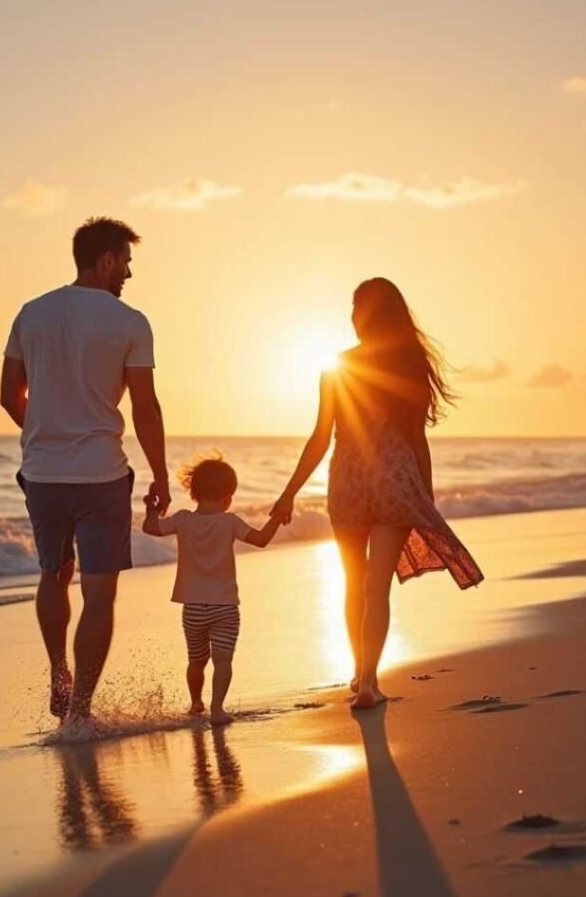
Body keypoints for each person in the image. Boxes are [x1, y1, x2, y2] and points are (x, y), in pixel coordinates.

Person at [271, 277, 483, 711]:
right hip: (393, 482)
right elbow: (416, 439)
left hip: (347, 481)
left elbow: (319, 437)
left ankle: (358, 670)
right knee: (377, 587)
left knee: (354, 584)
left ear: (362, 317)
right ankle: (368, 679)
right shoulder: (409, 365)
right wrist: (426, 493)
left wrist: (289, 492)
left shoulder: (337, 367)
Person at [0, 217, 170, 723]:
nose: (129, 276)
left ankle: (59, 671)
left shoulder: (31, 313)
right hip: (101, 474)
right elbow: (145, 407)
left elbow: (9, 395)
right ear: (107, 260)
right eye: (126, 264)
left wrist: (44, 430)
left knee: (53, 576)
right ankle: (79, 711)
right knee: (100, 592)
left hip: (43, 473)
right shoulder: (130, 321)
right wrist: (161, 476)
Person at [142, 453, 282, 725]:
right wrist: (277, 516)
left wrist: (152, 507)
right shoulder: (230, 522)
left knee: (196, 661)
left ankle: (196, 703)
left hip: (193, 608)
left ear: (193, 492)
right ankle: (217, 710)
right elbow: (262, 540)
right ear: (228, 496)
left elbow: (150, 528)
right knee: (223, 661)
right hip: (225, 607)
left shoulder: (182, 520)